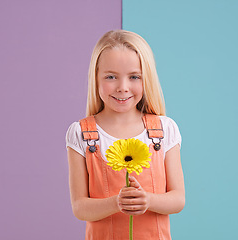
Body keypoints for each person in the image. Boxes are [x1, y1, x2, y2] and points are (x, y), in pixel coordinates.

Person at [66, 29, 185, 240]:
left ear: (146, 78)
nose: (123, 87)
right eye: (111, 77)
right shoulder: (80, 134)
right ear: (96, 77)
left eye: (134, 77)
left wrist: (147, 200)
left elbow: (178, 199)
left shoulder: (165, 129)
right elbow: (80, 207)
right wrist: (116, 203)